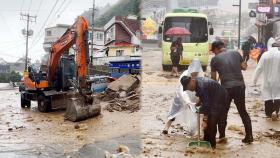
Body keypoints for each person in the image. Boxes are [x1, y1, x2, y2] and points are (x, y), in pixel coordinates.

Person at [211, 41, 253, 143]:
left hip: (226, 88)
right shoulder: (235, 53)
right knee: (243, 112)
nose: (213, 53)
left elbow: (213, 80)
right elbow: (244, 67)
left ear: (216, 49)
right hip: (240, 86)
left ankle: (222, 137)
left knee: (223, 113)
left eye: (213, 51)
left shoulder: (215, 59)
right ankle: (249, 136)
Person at [180, 76, 228, 149]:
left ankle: (212, 146)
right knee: (209, 121)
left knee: (211, 122)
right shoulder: (197, 82)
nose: (189, 89)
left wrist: (205, 120)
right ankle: (206, 142)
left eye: (188, 87)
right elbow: (203, 96)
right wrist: (199, 102)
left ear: (192, 81)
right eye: (187, 89)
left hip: (220, 97)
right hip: (214, 96)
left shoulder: (202, 86)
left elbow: (207, 105)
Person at [162, 59, 204, 135]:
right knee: (174, 112)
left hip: (194, 97)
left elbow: (202, 88)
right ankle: (166, 128)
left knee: (196, 113)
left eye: (196, 72)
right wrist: (187, 101)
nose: (194, 74)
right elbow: (182, 90)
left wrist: (197, 100)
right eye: (193, 72)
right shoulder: (185, 75)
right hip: (181, 96)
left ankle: (195, 131)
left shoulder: (201, 76)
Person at [253, 37, 280, 119]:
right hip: (278, 81)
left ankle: (268, 115)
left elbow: (259, 68)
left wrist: (254, 80)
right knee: (278, 96)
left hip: (266, 82)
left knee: (267, 97)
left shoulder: (265, 55)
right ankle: (276, 113)